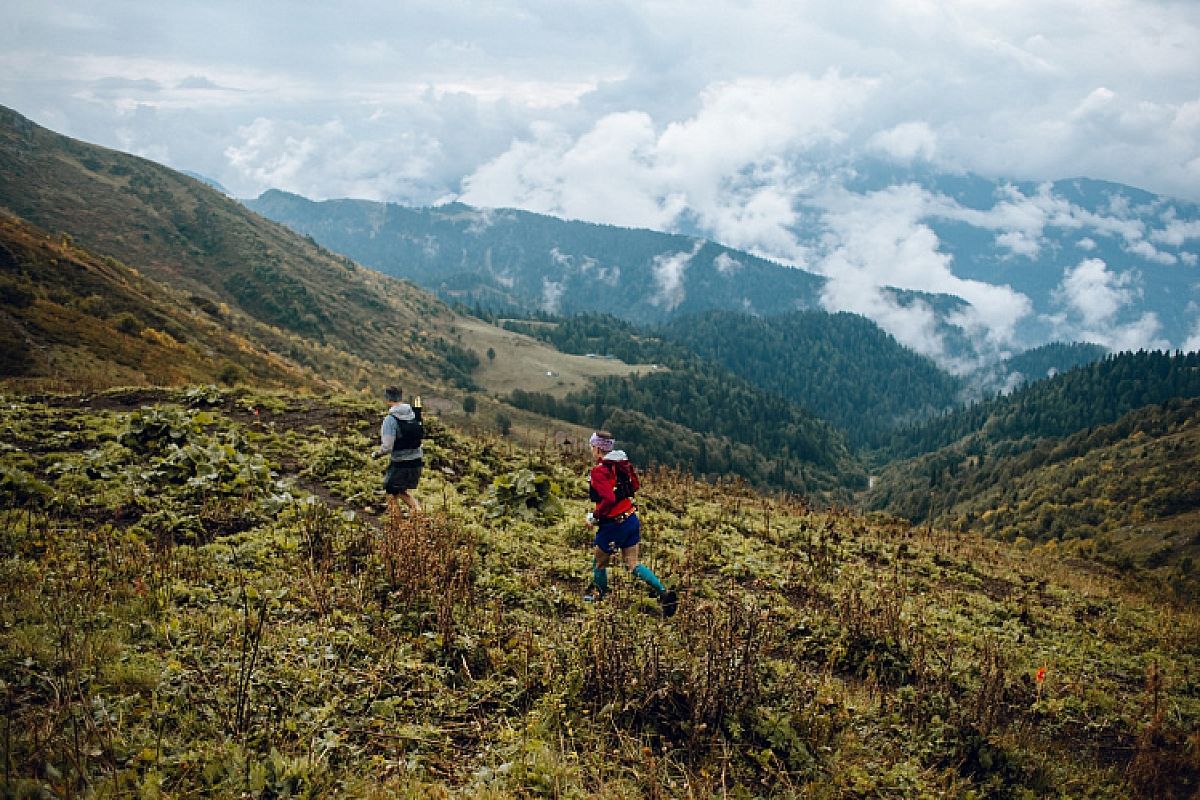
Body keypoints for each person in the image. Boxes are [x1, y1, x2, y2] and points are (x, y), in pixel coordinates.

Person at [584, 430, 677, 616]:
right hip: (630, 518)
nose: (591, 450)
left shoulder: (599, 471)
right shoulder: (622, 465)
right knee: (633, 564)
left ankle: (600, 597)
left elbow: (608, 499)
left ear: (597, 448)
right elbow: (634, 486)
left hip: (613, 525)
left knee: (599, 563)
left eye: (592, 447)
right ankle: (664, 593)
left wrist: (594, 516)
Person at [377, 386, 423, 515]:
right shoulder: (413, 414)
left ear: (387, 399)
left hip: (401, 463)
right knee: (400, 490)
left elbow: (387, 447)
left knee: (391, 493)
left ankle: (398, 528)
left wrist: (376, 454)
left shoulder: (390, 420)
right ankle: (419, 514)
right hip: (417, 460)